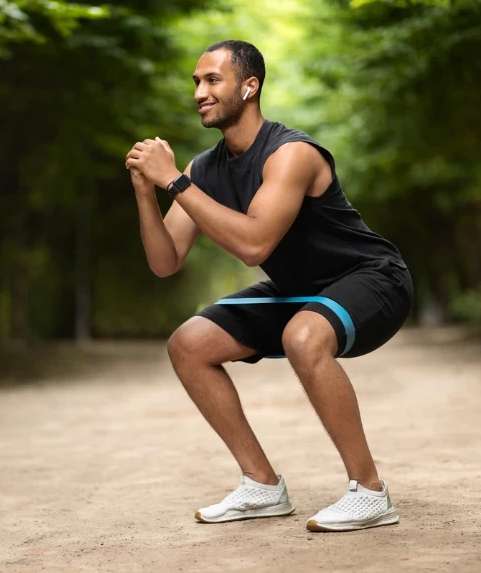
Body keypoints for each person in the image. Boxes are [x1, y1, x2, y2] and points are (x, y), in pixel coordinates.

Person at [125, 40, 413, 532]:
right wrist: (145, 193)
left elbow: (256, 245)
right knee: (188, 344)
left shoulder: (291, 153)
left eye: (212, 80)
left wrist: (173, 181)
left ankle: (369, 493)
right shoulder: (204, 169)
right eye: (196, 82)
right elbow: (164, 262)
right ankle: (261, 485)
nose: (199, 92)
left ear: (250, 86)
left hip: (374, 278)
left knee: (302, 335)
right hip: (301, 291)